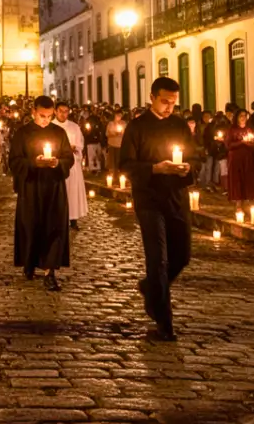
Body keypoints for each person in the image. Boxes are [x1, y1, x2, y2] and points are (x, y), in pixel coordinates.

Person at [120, 77, 194, 342]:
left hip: (176, 197)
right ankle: (165, 323)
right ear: (152, 97)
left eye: (174, 102)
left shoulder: (180, 124)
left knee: (182, 256)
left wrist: (187, 168)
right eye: (164, 101)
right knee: (158, 259)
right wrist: (154, 168)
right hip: (149, 199)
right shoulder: (137, 127)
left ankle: (150, 288)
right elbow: (126, 164)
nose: (169, 107)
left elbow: (195, 155)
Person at [8, 96, 73, 292]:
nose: (45, 120)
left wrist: (57, 163)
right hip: (31, 187)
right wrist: (33, 163)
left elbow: (68, 158)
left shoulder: (59, 132)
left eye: (49, 116)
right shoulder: (23, 133)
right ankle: (29, 262)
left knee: (54, 227)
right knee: (31, 226)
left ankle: (49, 271)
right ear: (33, 112)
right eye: (42, 115)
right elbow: (14, 161)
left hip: (54, 187)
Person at [54, 102, 88, 229]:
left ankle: (73, 218)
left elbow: (80, 143)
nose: (63, 114)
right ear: (55, 111)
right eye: (61, 111)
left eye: (66, 111)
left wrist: (76, 148)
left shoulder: (74, 127)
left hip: (73, 164)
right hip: (59, 162)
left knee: (73, 191)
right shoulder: (52, 127)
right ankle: (58, 219)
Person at [225, 110, 254, 207]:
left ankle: (247, 202)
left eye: (245, 115)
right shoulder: (232, 130)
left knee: (248, 179)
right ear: (237, 117)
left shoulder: (250, 129)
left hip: (248, 158)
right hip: (236, 158)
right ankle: (238, 203)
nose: (243, 118)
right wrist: (241, 142)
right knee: (237, 180)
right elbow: (228, 145)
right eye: (241, 116)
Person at [83, 109, 104, 173]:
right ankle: (92, 168)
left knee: (98, 155)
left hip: (97, 141)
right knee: (91, 155)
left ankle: (98, 167)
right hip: (90, 141)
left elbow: (101, 129)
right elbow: (85, 131)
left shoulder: (98, 119)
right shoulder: (88, 120)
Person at [106, 110, 126, 177]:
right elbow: (107, 134)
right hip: (112, 144)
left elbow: (125, 133)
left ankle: (118, 174)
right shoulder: (110, 124)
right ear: (115, 115)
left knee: (118, 160)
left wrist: (121, 133)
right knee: (112, 161)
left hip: (119, 145)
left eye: (120, 116)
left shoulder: (123, 123)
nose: (119, 117)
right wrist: (114, 134)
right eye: (118, 115)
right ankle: (112, 174)